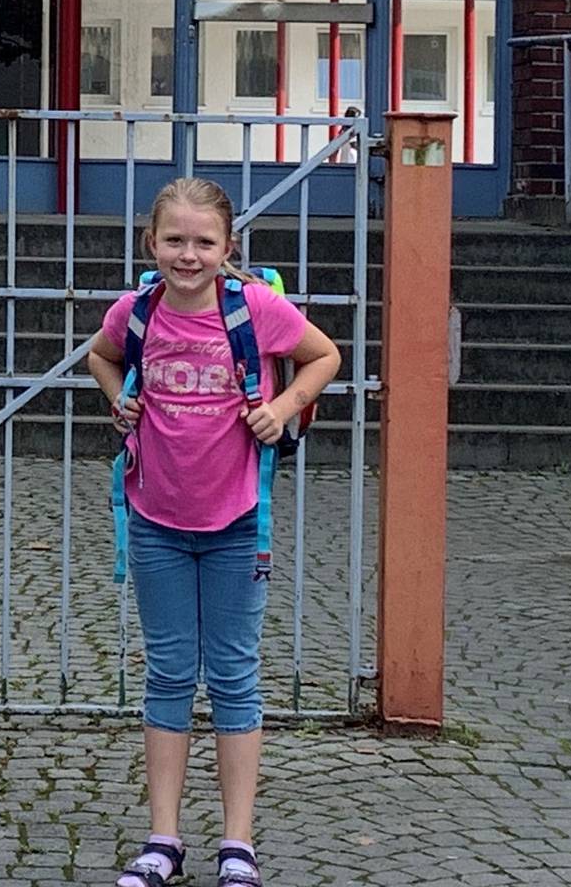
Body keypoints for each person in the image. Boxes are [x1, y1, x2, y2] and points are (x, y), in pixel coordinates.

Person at [85, 177, 342, 887]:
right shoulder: (137, 310)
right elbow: (100, 356)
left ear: (229, 247)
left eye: (204, 242)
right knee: (168, 675)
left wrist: (285, 406)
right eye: (174, 240)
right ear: (152, 243)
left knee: (233, 676)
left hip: (236, 523)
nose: (188, 255)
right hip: (156, 520)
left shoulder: (255, 308)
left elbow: (326, 356)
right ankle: (162, 838)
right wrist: (122, 400)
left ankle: (238, 843)